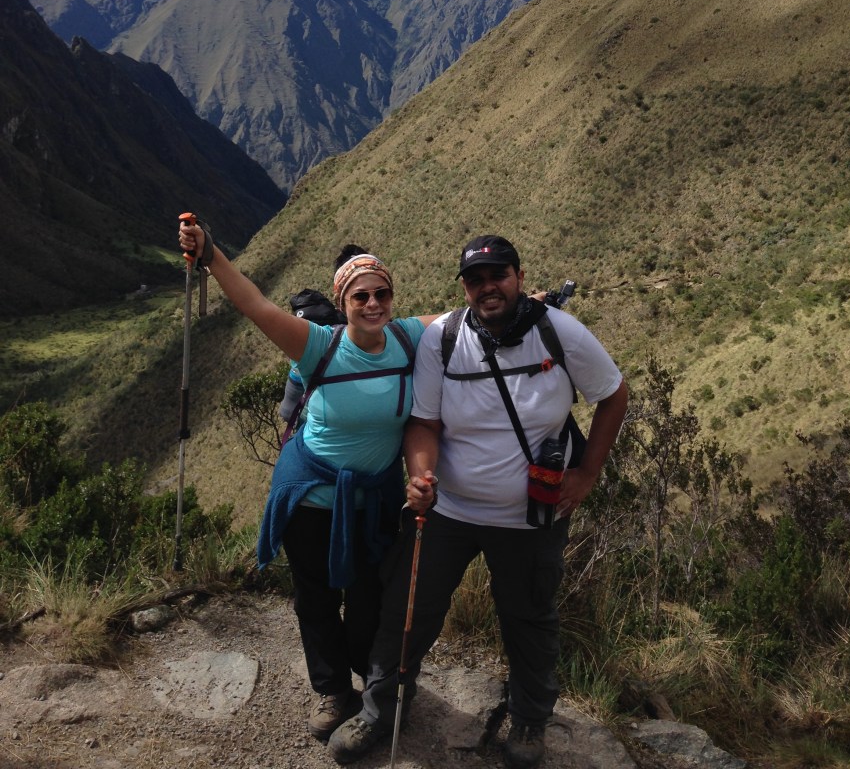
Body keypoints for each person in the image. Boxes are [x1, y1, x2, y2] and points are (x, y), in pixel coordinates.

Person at [327, 235, 628, 769]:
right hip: (448, 510)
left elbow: (613, 394)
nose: (488, 287)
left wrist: (588, 473)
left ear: (518, 277)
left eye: (498, 275)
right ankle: (380, 710)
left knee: (528, 618)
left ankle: (529, 720)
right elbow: (424, 422)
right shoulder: (443, 339)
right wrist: (421, 477)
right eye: (476, 280)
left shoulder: (559, 333)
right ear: (465, 288)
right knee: (407, 611)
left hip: (530, 516)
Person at [177, 219, 437, 741]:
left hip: (374, 497)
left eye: (381, 293)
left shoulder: (408, 336)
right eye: (360, 295)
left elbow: (465, 318)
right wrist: (210, 254)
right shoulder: (318, 345)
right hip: (312, 495)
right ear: (343, 302)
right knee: (315, 598)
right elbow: (256, 305)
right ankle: (333, 689)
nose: (373, 303)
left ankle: (370, 680)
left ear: (392, 297)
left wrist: (532, 303)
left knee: (368, 599)